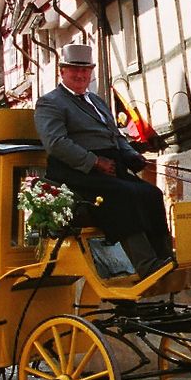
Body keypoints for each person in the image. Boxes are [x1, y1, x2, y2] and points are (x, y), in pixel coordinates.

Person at [34, 42, 172, 277]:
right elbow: (56, 143)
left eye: (85, 70)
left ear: (91, 72)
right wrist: (94, 162)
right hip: (76, 173)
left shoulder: (97, 101)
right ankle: (146, 264)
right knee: (124, 195)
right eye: (74, 70)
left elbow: (115, 135)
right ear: (62, 71)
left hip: (110, 167)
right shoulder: (51, 102)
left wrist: (131, 155)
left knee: (152, 194)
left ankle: (165, 257)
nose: (80, 75)